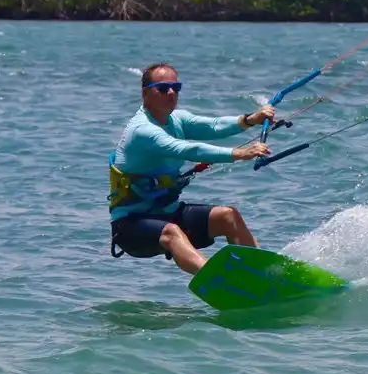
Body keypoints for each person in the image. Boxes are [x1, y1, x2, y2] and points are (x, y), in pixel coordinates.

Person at [109, 62, 275, 275]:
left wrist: (250, 120)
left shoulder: (177, 119)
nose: (171, 93)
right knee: (172, 232)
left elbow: (213, 126)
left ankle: (260, 273)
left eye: (175, 88)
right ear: (145, 93)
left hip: (167, 212)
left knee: (228, 216)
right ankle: (216, 279)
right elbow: (187, 149)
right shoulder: (141, 130)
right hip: (131, 226)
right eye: (162, 88)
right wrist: (240, 153)